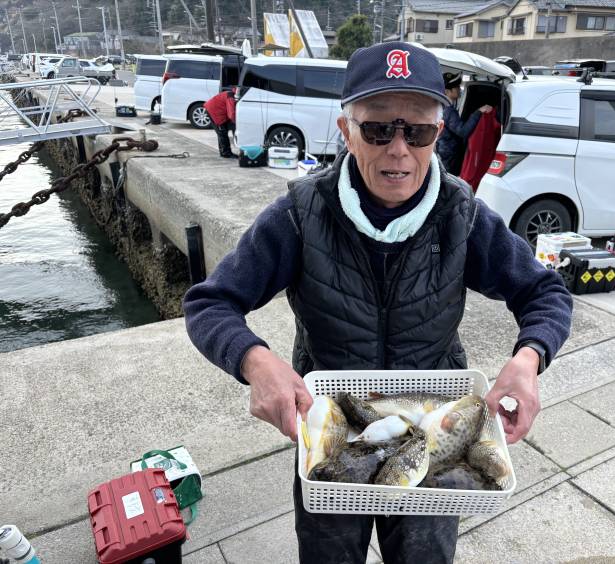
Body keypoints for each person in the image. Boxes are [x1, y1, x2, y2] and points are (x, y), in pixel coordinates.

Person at [183, 42, 573, 564]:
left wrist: (528, 359)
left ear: (439, 133)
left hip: (433, 426)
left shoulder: (462, 214)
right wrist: (255, 362)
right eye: (378, 129)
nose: (399, 149)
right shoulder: (299, 213)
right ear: (346, 131)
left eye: (418, 132)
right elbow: (210, 304)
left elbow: (544, 291)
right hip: (332, 427)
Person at [435, 71, 493, 175]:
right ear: (447, 91)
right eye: (456, 87)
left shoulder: (443, 106)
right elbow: (463, 131)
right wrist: (479, 112)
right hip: (449, 155)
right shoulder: (448, 111)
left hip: (445, 151)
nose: (459, 89)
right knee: (450, 180)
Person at [204, 88, 237, 158]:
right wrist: (236, 123)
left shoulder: (231, 94)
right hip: (214, 112)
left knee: (222, 132)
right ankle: (226, 153)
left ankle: (223, 152)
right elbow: (231, 114)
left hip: (217, 110)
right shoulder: (230, 97)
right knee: (222, 132)